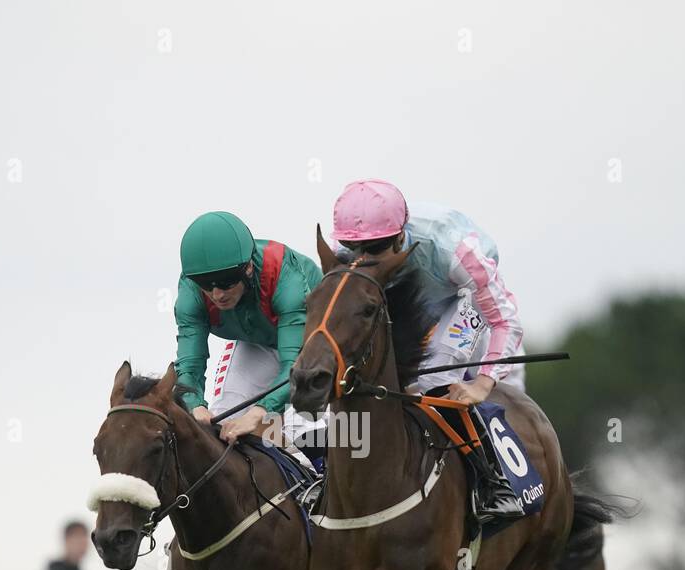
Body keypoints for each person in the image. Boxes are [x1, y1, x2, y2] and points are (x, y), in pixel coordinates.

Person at [329, 179, 527, 521]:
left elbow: (506, 322)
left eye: (374, 249)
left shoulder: (455, 251)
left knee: (433, 377)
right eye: (353, 248)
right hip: (400, 296)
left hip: (458, 298)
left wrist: (482, 384)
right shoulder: (341, 251)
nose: (362, 259)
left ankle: (492, 482)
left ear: (398, 236)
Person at [174, 211, 326, 462]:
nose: (217, 294)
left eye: (226, 283)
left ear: (248, 268)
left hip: (312, 345)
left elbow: (295, 366)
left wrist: (260, 412)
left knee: (303, 428)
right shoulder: (190, 293)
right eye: (206, 285)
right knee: (223, 423)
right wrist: (195, 405)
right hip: (258, 343)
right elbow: (190, 365)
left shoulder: (284, 278)